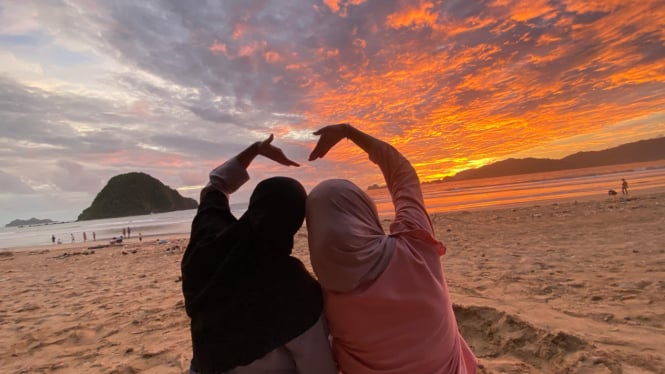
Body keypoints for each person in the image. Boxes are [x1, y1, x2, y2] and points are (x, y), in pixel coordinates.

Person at [306, 124, 477, 373]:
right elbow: (402, 174)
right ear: (364, 210)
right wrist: (349, 132)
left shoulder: (321, 301)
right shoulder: (415, 246)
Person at [181, 134, 337, 374]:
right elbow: (319, 368)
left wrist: (254, 150)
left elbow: (215, 187)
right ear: (294, 223)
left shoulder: (207, 242)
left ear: (254, 206)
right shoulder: (293, 287)